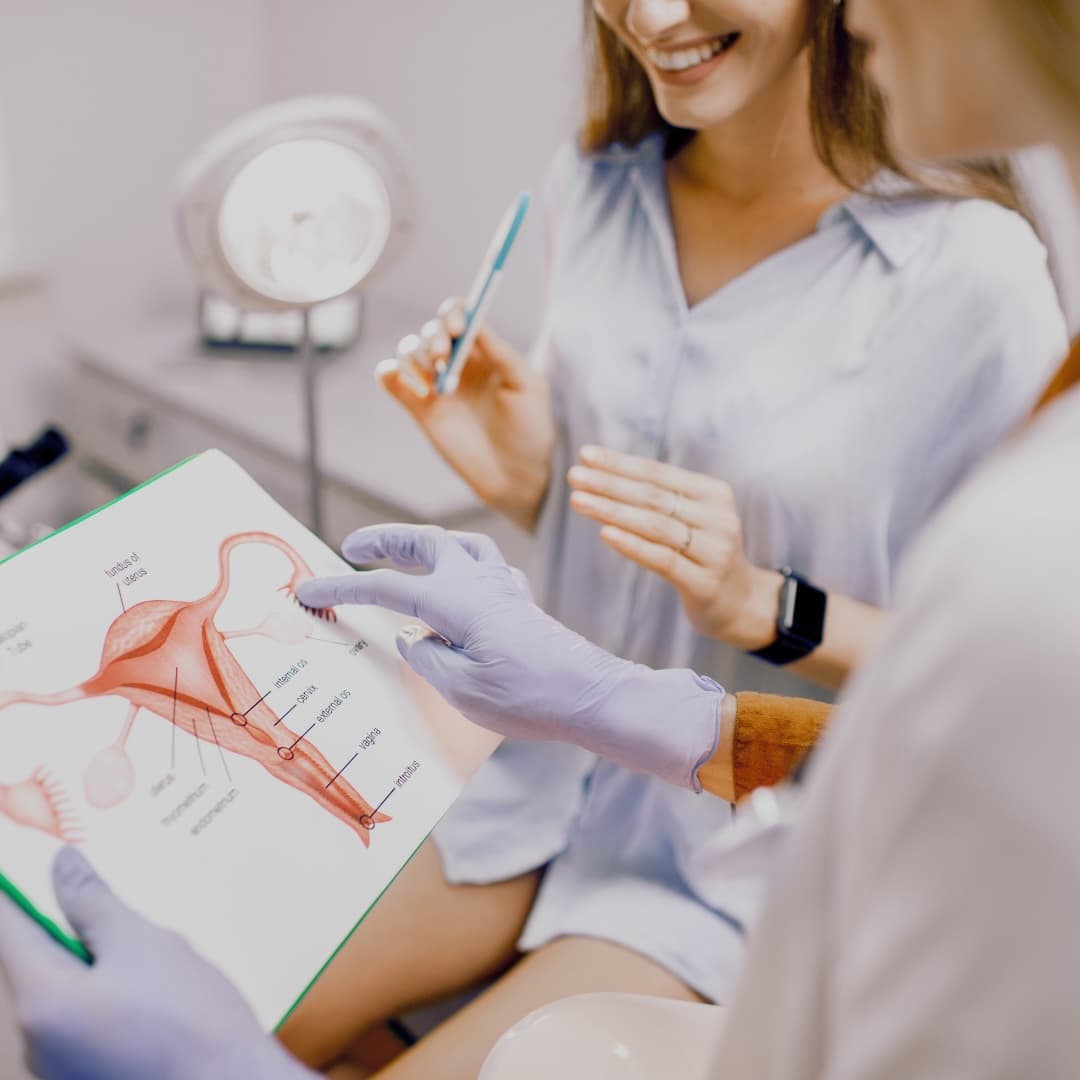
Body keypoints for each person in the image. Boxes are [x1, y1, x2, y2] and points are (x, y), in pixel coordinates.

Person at [2, 0, 1079, 1076]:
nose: (651, 17)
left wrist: (769, 605)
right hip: (537, 782)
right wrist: (529, 481)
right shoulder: (594, 190)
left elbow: (986, 681)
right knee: (211, 1001)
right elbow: (621, 561)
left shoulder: (976, 280)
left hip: (731, 847)